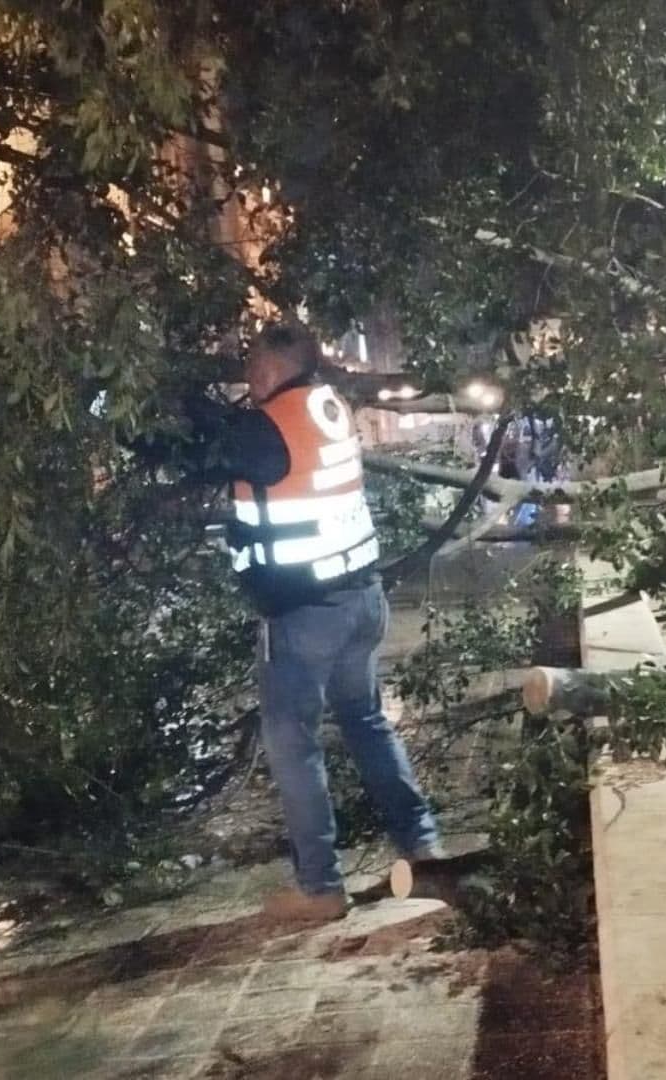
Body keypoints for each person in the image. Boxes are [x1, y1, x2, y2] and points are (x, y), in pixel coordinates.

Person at [201, 323, 443, 923]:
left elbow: (204, 447)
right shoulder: (326, 405)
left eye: (253, 365)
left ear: (272, 368)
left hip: (306, 615)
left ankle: (321, 889)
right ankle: (422, 845)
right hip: (361, 599)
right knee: (366, 723)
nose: (248, 376)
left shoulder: (265, 427)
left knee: (293, 745)